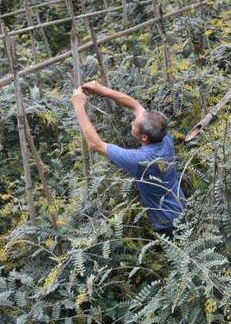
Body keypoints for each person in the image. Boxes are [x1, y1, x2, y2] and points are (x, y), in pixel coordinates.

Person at [70, 80, 185, 236]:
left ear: (144, 137)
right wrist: (102, 90)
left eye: (134, 125)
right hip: (181, 207)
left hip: (166, 224)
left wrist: (78, 106)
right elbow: (135, 106)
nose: (132, 122)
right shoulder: (165, 138)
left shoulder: (141, 160)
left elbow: (95, 144)